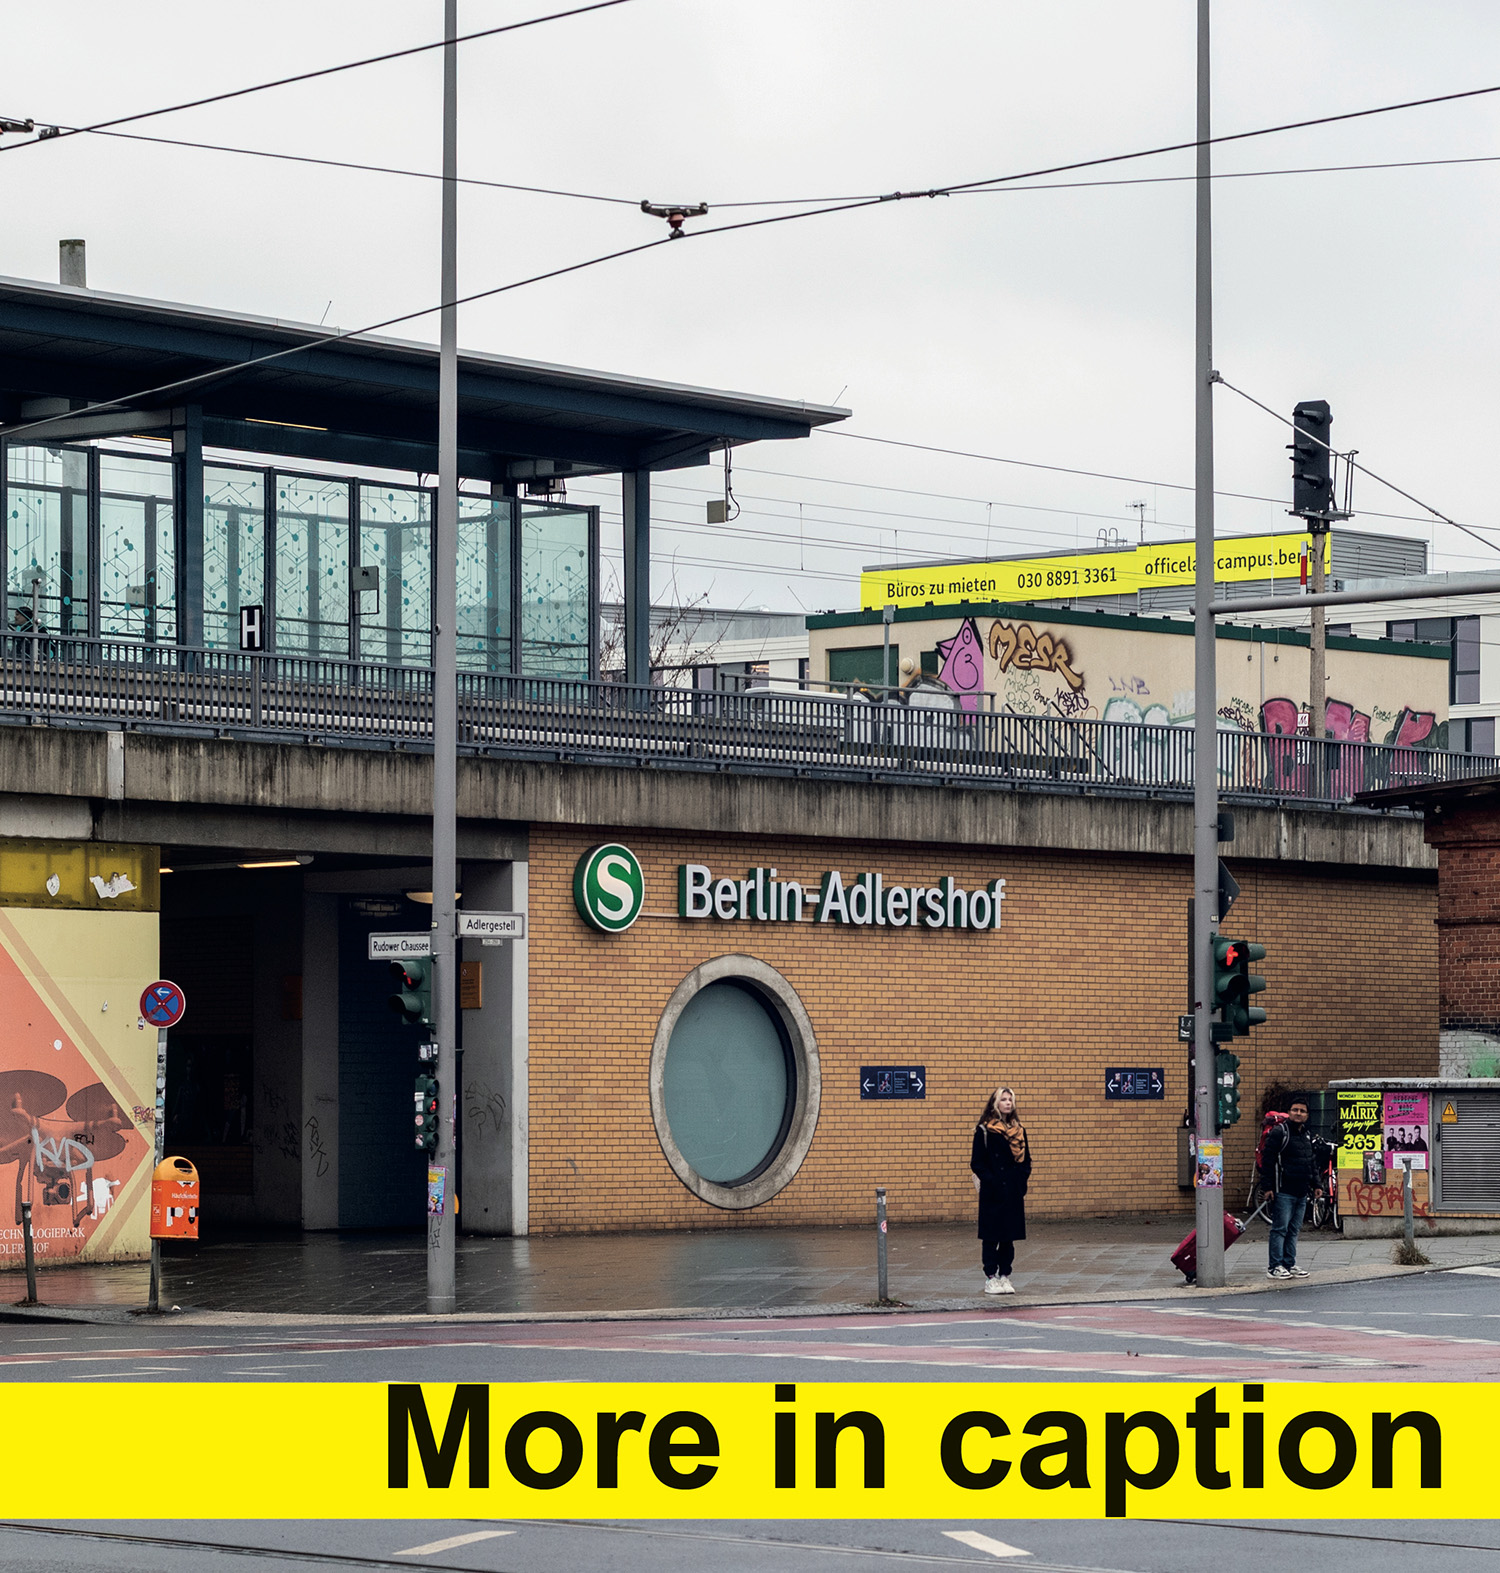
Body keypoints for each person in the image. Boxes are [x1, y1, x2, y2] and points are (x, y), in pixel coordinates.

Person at [1259, 1095, 1331, 1280]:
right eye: (1295, 1110)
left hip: (1301, 1191)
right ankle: (1275, 1266)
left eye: (1302, 1111)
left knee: (1293, 1230)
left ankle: (1289, 1264)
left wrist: (1316, 1184)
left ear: (1307, 1115)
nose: (1298, 1113)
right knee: (1280, 1229)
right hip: (1283, 1190)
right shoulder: (1279, 1133)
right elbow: (1268, 1161)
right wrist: (1268, 1188)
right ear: (1289, 1112)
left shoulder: (1305, 1134)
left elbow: (1310, 1161)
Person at [971, 1085, 1031, 1296]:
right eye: (1004, 1099)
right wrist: (992, 1182)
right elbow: (977, 1163)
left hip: (1013, 1192)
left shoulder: (1020, 1130)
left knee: (1008, 1237)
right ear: (995, 1103)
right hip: (993, 1193)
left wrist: (1020, 1181)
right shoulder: (984, 1130)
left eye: (1010, 1100)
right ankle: (991, 1277)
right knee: (991, 1237)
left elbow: (1026, 1162)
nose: (1008, 1103)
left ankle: (1005, 1275)